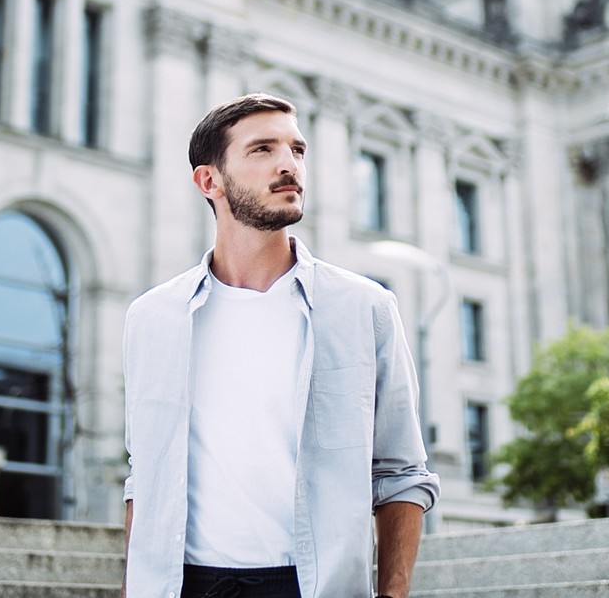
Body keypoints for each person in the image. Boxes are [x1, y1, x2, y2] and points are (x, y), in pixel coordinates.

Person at [122, 93, 440, 598]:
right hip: (184, 585)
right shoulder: (152, 318)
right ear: (210, 181)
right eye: (262, 150)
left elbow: (401, 472)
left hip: (312, 585)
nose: (288, 165)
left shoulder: (364, 308)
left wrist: (393, 594)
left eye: (297, 149)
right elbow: (146, 476)